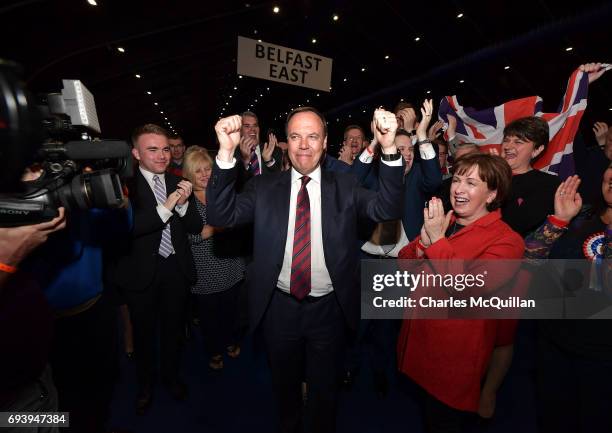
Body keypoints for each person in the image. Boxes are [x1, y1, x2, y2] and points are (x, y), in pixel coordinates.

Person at [207, 107, 404, 433]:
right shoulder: (264, 187)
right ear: (287, 141)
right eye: (296, 136)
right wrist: (226, 152)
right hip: (279, 307)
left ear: (325, 142)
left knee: (325, 391)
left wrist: (390, 148)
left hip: (329, 309)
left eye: (312, 136)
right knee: (284, 388)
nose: (303, 145)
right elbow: (221, 214)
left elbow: (387, 208)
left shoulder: (346, 185)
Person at [397, 153, 524, 432]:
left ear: (492, 194)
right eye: (456, 179)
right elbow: (404, 266)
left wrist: (437, 241)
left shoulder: (507, 241)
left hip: (454, 361)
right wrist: (422, 245)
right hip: (421, 347)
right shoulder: (445, 220)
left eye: (471, 183)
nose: (458, 189)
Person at [108, 123, 203, 415]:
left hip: (175, 269)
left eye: (165, 149)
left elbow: (196, 227)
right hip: (140, 274)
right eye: (152, 149)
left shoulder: (178, 180)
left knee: (174, 331)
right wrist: (169, 205)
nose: (162, 155)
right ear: (136, 153)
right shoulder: (122, 185)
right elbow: (127, 229)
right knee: (145, 335)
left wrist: (185, 206)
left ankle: (171, 378)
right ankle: (145, 385)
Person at [524, 166, 612, 433]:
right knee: (554, 418)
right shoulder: (580, 215)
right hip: (556, 342)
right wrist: (559, 220)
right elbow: (529, 259)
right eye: (610, 173)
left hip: (603, 354)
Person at [183, 147, 245, 370]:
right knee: (209, 319)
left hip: (231, 264)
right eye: (198, 171)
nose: (205, 174)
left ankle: (230, 341)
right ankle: (214, 351)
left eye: (208, 168)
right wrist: (211, 230)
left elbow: (238, 220)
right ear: (189, 174)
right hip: (204, 271)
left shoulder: (223, 192)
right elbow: (182, 239)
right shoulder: (184, 201)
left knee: (232, 313)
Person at [500, 116, 561, 237]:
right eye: (506, 140)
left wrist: (498, 179)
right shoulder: (484, 175)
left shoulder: (547, 184)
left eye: (518, 142)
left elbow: (518, 224)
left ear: (536, 150)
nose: (507, 146)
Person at [238, 111, 283, 175]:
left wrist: (269, 161)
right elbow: (232, 182)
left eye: (255, 125)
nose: (253, 129)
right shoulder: (231, 154)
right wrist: (245, 162)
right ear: (239, 130)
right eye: (247, 126)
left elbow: (281, 179)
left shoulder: (274, 151)